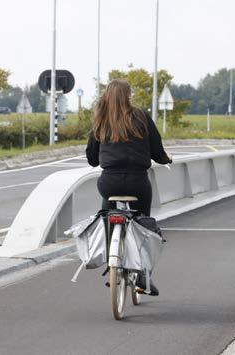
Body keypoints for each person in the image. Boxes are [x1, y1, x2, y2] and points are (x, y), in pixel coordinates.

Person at [85, 79, 172, 296]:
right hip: (137, 181)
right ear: (129, 95)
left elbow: (92, 160)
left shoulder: (101, 120)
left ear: (107, 95)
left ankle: (112, 262)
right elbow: (156, 150)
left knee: (107, 214)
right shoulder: (141, 116)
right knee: (143, 224)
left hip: (109, 182)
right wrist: (166, 159)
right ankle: (143, 275)